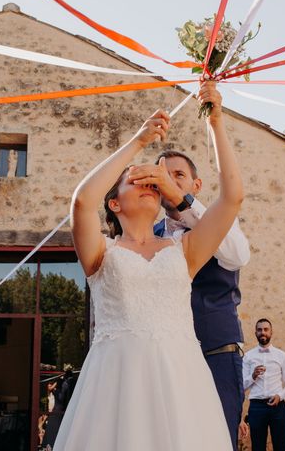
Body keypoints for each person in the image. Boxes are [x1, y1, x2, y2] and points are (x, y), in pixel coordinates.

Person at [55, 81, 242, 450]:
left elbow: (232, 198)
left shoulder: (184, 249)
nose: (147, 183)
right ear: (114, 204)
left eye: (152, 184)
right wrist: (138, 143)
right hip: (116, 383)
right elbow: (81, 202)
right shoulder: (101, 253)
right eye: (134, 179)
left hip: (181, 380)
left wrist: (216, 121)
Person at [147, 143, 250, 449]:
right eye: (162, 175)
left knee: (217, 438)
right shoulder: (148, 234)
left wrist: (184, 202)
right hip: (165, 356)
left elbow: (237, 255)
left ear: (196, 184)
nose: (170, 180)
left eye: (178, 174)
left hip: (216, 351)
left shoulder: (220, 220)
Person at [242, 319, 285, 451]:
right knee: (258, 447)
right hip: (256, 407)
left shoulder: (281, 355)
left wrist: (280, 396)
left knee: (281, 447)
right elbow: (242, 386)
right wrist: (253, 376)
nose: (262, 332)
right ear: (255, 333)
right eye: (259, 330)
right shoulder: (248, 356)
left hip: (278, 406)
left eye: (266, 329)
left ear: (271, 332)